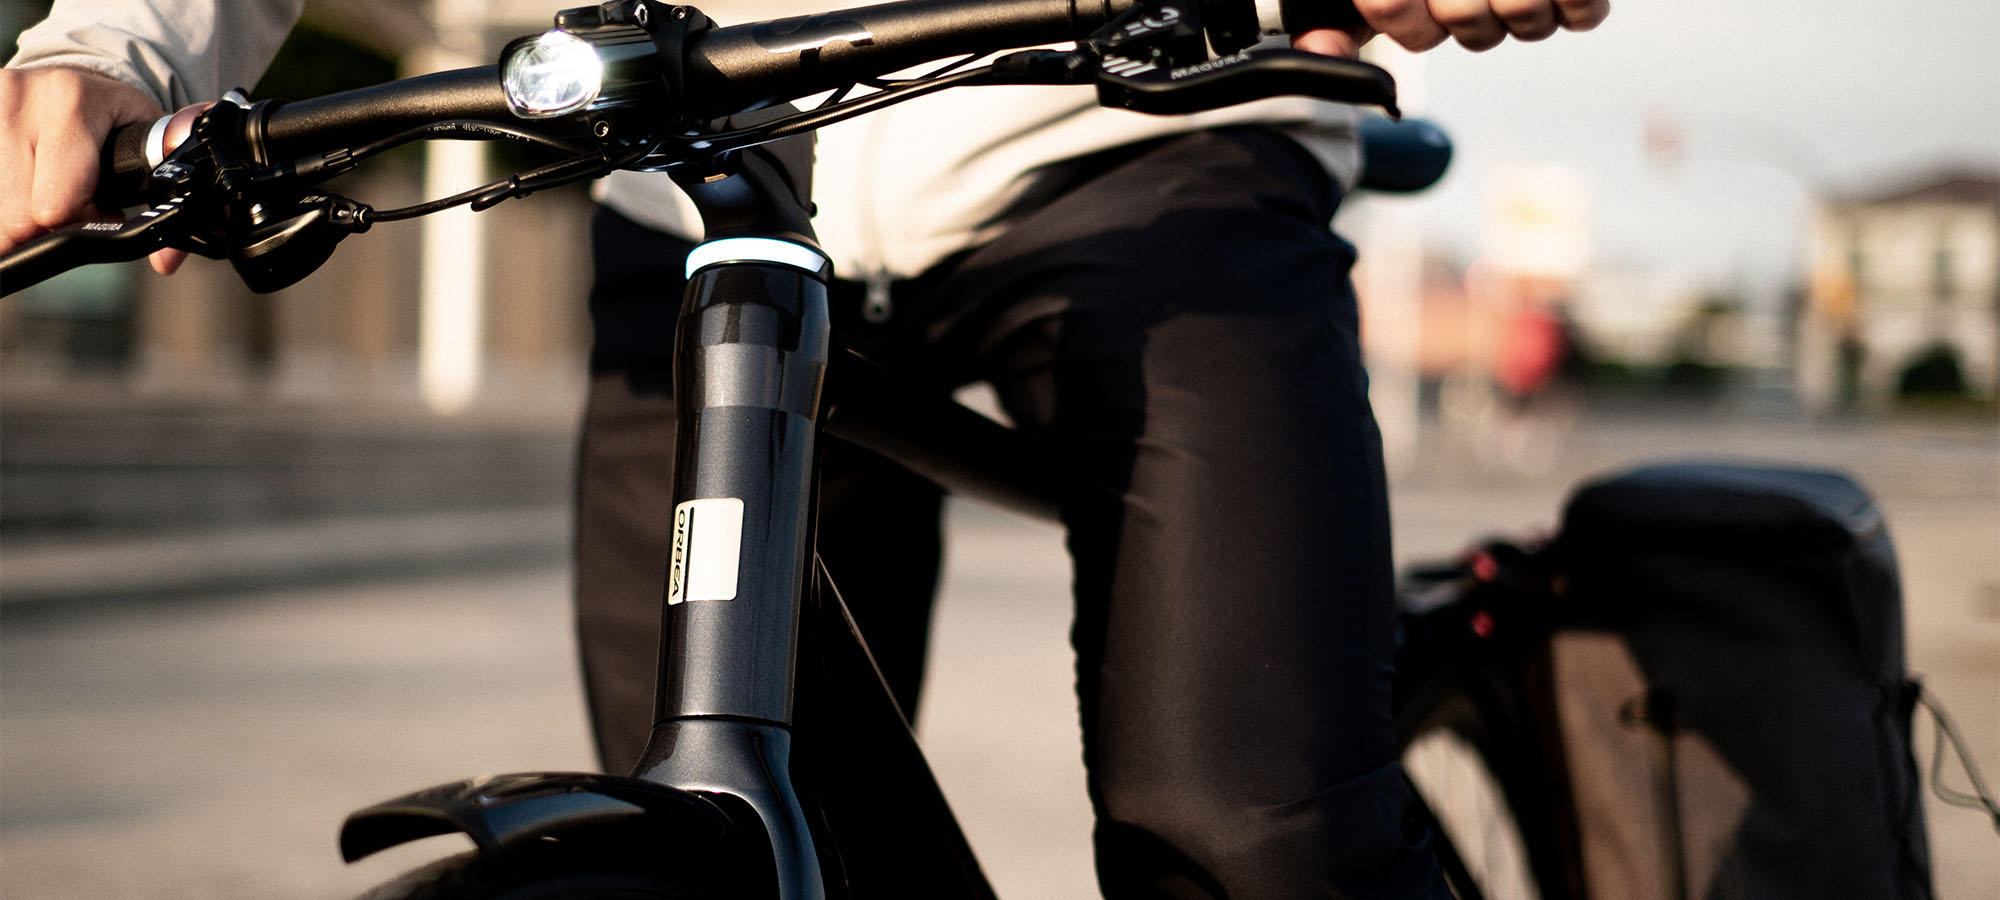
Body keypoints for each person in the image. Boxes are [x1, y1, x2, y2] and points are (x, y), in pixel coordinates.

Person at [3, 0, 1608, 895]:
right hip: (697, 165)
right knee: (744, 834)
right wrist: (116, 48)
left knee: (1249, 834)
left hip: (1144, 136)